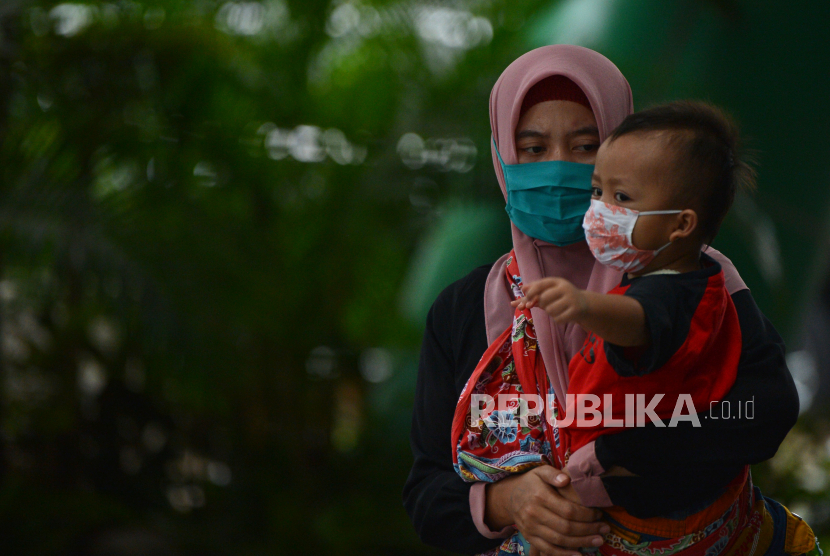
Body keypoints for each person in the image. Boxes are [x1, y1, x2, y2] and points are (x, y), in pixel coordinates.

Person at [403, 45, 799, 556]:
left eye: (586, 146)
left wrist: (624, 460)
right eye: (533, 149)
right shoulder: (462, 310)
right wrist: (508, 501)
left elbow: (765, 409)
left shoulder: (695, 273)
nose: (558, 169)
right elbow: (427, 495)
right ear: (504, 156)